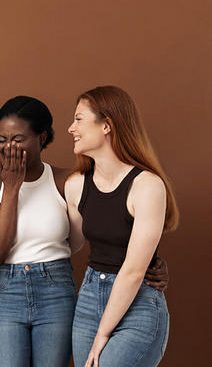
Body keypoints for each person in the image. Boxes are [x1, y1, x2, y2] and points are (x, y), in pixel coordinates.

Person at [0, 95, 170, 367]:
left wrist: (152, 262)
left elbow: (94, 238)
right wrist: (11, 188)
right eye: (2, 139)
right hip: (17, 289)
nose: (9, 147)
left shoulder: (69, 181)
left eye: (18, 139)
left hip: (57, 287)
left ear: (41, 138)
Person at [66, 86, 178, 367]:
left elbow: (133, 271)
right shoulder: (76, 185)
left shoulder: (148, 186)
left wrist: (102, 333)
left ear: (106, 125)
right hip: (90, 296)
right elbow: (69, 244)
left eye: (79, 119)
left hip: (138, 302)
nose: (71, 128)